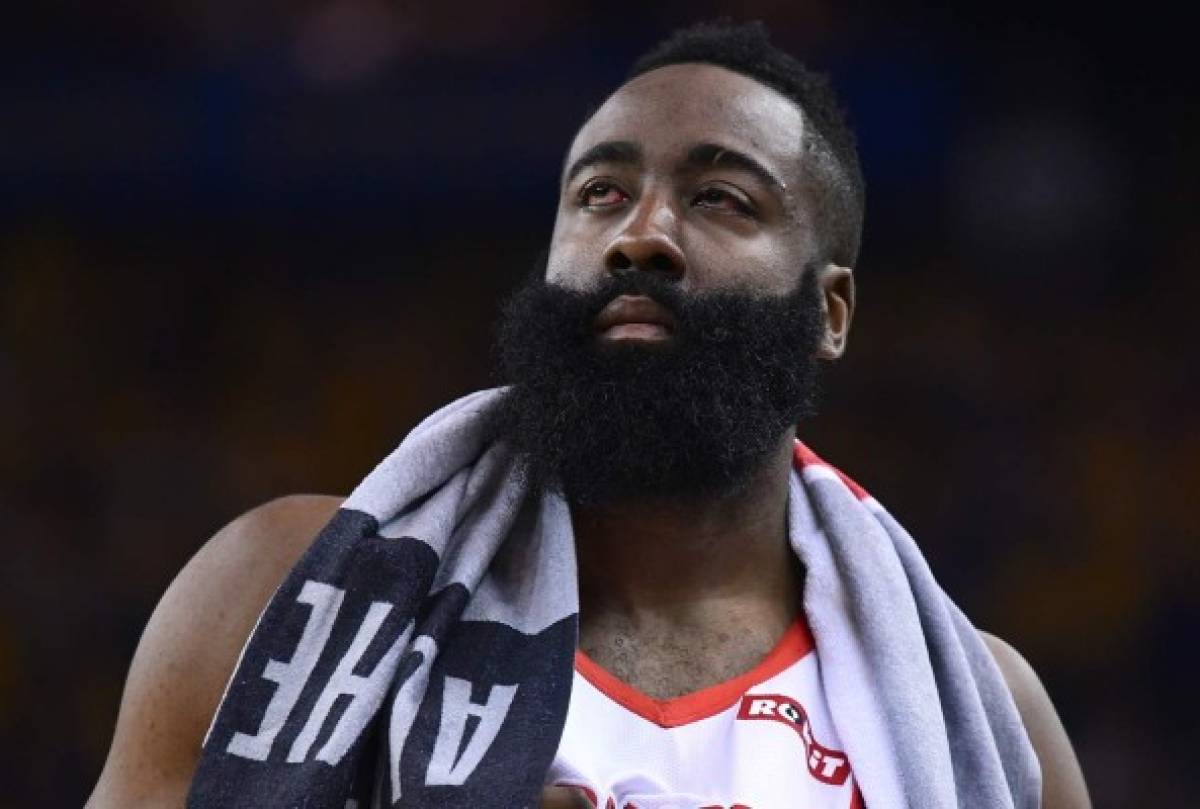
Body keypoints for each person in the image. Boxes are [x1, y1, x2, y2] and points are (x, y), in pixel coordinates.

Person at [86, 20, 1090, 809]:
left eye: (723, 199)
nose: (640, 235)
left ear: (828, 310)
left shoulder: (991, 714)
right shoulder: (276, 592)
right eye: (600, 193)